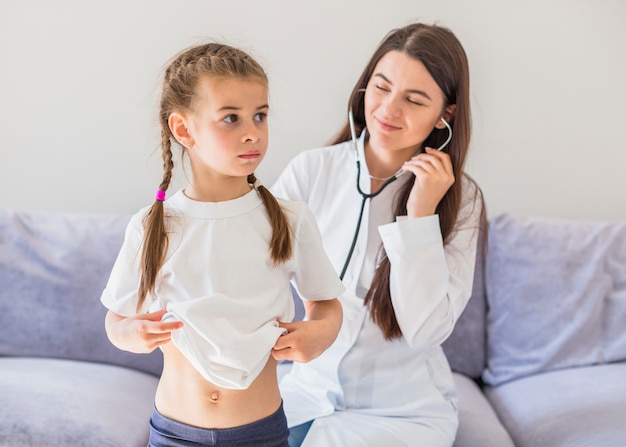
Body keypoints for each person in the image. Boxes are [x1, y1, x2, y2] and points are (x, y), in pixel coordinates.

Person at [100, 43, 344, 447]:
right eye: (230, 118)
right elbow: (116, 319)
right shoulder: (153, 226)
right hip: (174, 432)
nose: (253, 131)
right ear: (183, 130)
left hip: (260, 432)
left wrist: (320, 333)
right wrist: (130, 335)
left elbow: (326, 303)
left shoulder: (289, 219)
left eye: (260, 116)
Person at [271, 22, 486, 446]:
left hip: (402, 414)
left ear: (447, 113)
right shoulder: (312, 170)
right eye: (381, 87)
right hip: (305, 394)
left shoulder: (462, 200)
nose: (388, 109)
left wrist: (420, 214)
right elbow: (252, 263)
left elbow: (425, 330)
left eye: (414, 99)